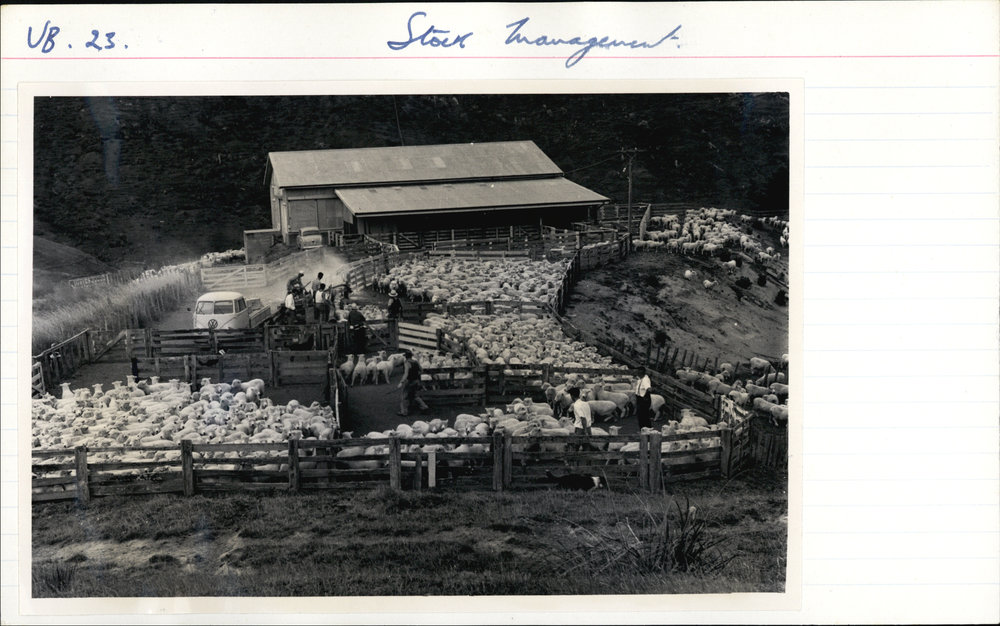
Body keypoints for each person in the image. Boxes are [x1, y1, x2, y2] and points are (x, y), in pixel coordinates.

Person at [397, 349, 428, 416]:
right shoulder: (415, 362)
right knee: (415, 395)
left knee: (404, 396)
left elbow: (406, 373)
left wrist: (401, 382)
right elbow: (421, 370)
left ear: (406, 356)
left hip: (409, 381)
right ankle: (424, 406)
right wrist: (417, 375)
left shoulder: (407, 363)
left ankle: (404, 412)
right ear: (411, 356)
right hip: (416, 381)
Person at [568, 387, 593, 452]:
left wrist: (585, 431)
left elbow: (583, 418)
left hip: (580, 428)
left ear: (572, 396)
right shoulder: (586, 403)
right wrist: (587, 430)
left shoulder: (576, 405)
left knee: (575, 447)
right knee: (587, 447)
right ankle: (588, 462)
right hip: (588, 427)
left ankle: (575, 461)